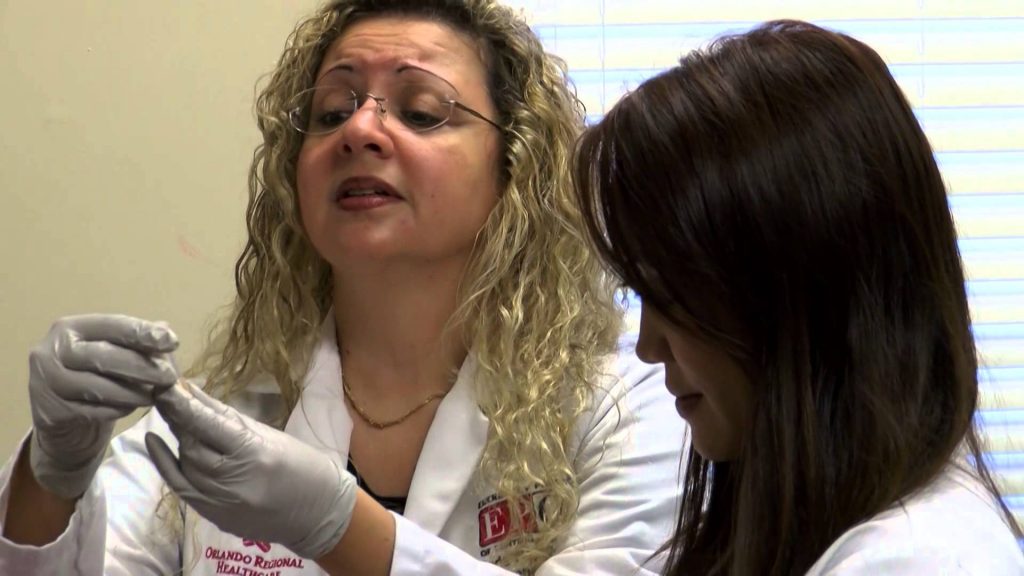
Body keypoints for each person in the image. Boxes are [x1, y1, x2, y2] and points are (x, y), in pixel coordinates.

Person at [0, 1, 685, 574]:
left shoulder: (624, 405)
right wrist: (49, 479)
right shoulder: (223, 416)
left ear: (515, 170)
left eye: (422, 112)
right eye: (330, 112)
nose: (359, 130)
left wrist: (339, 527)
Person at [573, 19, 1024, 576]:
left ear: (796, 286)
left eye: (668, 291)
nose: (647, 346)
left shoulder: (917, 560)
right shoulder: (792, 531)